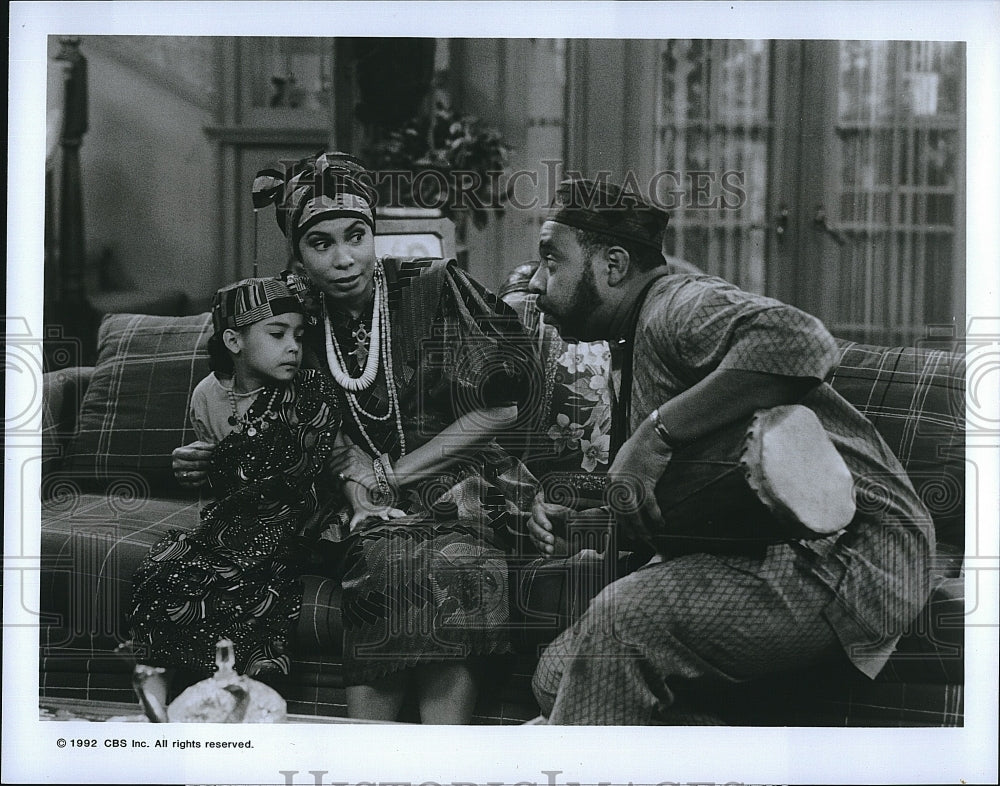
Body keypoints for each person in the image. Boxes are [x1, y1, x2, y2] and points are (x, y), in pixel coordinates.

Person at [524, 178, 935, 724]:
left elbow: (806, 340)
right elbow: (699, 487)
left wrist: (654, 434)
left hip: (854, 551)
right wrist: (588, 517)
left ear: (614, 266)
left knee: (619, 624)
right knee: (554, 675)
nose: (534, 282)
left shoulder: (677, 305)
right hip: (764, 542)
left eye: (552, 261)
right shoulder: (629, 342)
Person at [172, 152, 538, 723]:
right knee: (387, 556)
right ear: (299, 252)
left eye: (356, 236)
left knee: (457, 560)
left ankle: (448, 762)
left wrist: (394, 473)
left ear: (374, 234)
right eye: (321, 244)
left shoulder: (432, 287)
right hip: (353, 496)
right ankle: (366, 760)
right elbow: (239, 389)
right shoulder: (295, 318)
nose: (344, 259)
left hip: (459, 482)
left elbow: (502, 407)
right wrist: (216, 455)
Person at [130, 277, 395, 709]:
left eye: (298, 335)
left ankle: (249, 704)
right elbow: (222, 478)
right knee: (162, 571)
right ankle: (169, 710)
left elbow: (334, 460)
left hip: (298, 521)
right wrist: (197, 466)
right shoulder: (206, 397)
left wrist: (363, 503)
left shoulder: (310, 393)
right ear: (234, 340)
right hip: (233, 521)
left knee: (255, 587)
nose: (293, 346)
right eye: (277, 334)